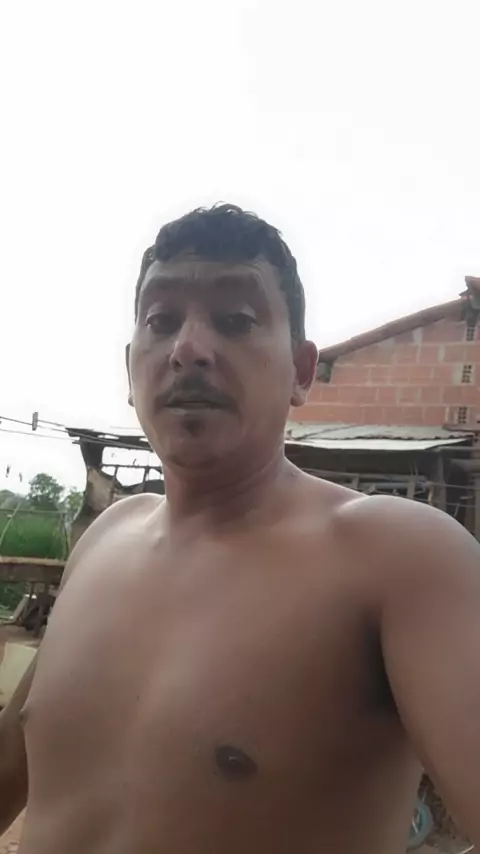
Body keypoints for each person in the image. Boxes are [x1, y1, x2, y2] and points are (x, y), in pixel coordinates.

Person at [1, 204, 480, 854]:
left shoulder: (398, 559)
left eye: (236, 320)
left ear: (301, 371)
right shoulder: (103, 541)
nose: (187, 349)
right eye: (161, 320)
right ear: (130, 367)